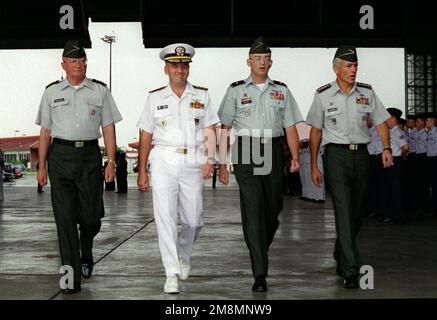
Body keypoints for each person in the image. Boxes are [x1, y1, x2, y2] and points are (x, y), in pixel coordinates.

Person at [35, 40, 122, 294]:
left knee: (91, 217)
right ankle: (70, 278)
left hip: (89, 157)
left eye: (82, 61)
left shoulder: (99, 91)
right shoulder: (51, 92)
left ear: (86, 63)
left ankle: (86, 249)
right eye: (73, 61)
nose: (78, 65)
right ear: (63, 65)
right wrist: (42, 166)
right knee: (64, 220)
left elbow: (108, 126)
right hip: (60, 156)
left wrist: (112, 161)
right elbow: (45, 131)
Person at [218, 37, 302, 292]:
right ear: (249, 62)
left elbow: (290, 126)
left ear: (271, 62)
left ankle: (258, 245)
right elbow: (225, 128)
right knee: (253, 207)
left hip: (273, 150)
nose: (262, 62)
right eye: (257, 59)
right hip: (246, 149)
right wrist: (221, 162)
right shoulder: (235, 90)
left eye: (266, 59)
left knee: (273, 207)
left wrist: (296, 156)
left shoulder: (282, 91)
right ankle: (260, 274)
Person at [306, 45, 392, 289]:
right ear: (336, 69)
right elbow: (316, 131)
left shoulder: (367, 93)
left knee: (357, 213)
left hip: (362, 157)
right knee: (343, 211)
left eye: (355, 66)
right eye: (348, 66)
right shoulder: (323, 95)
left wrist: (386, 148)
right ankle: (351, 269)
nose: (353, 70)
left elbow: (381, 122)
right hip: (336, 156)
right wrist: (314, 165)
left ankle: (340, 249)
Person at [136, 43, 218, 294]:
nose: (180, 70)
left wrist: (210, 159)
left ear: (188, 69)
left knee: (194, 220)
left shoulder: (201, 95)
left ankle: (184, 254)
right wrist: (142, 169)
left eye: (184, 66)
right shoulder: (155, 97)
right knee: (166, 219)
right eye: (175, 66)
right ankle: (171, 272)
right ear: (166, 69)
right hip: (163, 160)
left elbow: (210, 129)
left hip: (193, 159)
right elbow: (146, 134)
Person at [382, 108, 408, 224]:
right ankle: (393, 215)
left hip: (396, 162)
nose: (386, 121)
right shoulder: (391, 131)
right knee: (391, 189)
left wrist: (400, 157)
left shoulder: (397, 131)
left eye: (388, 119)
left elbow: (406, 147)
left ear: (393, 119)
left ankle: (399, 217)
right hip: (391, 162)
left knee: (396, 190)